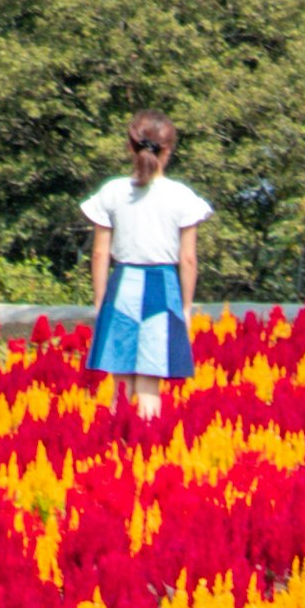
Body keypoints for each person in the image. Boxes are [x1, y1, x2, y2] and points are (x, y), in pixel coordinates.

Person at [83, 113, 209, 413]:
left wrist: (101, 301)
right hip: (162, 288)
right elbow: (188, 259)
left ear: (130, 147)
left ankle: (116, 446)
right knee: (150, 383)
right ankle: (147, 446)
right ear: (169, 150)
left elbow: (100, 254)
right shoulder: (182, 197)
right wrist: (187, 308)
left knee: (121, 385)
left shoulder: (113, 192)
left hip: (122, 285)